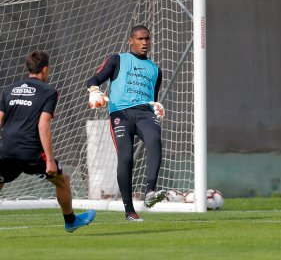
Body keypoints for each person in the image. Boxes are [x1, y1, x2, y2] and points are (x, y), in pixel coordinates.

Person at [0, 50, 96, 232]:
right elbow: (43, 124)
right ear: (45, 69)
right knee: (62, 180)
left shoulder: (9, 89)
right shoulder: (49, 91)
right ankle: (71, 221)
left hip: (7, 149)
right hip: (31, 152)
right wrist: (50, 160)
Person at [87, 25, 166, 222]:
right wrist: (94, 90)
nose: (145, 42)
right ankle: (129, 210)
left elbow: (153, 98)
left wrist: (156, 106)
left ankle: (150, 192)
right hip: (120, 114)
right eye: (140, 39)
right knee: (126, 157)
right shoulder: (117, 59)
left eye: (147, 38)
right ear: (131, 40)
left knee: (155, 138)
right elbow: (94, 78)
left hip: (143, 113)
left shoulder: (156, 70)